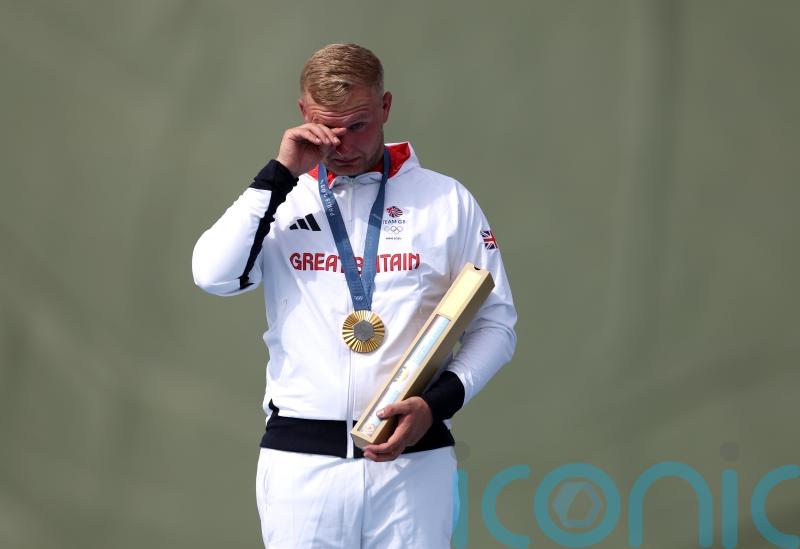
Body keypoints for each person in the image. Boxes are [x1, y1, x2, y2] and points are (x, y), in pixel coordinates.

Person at [191, 43, 516, 548]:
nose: (342, 143)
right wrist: (278, 175)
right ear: (303, 114)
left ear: (386, 107)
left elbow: (496, 325)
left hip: (414, 466)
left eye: (359, 125)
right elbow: (212, 274)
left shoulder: (446, 200)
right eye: (328, 127)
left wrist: (436, 406)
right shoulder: (282, 199)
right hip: (301, 467)